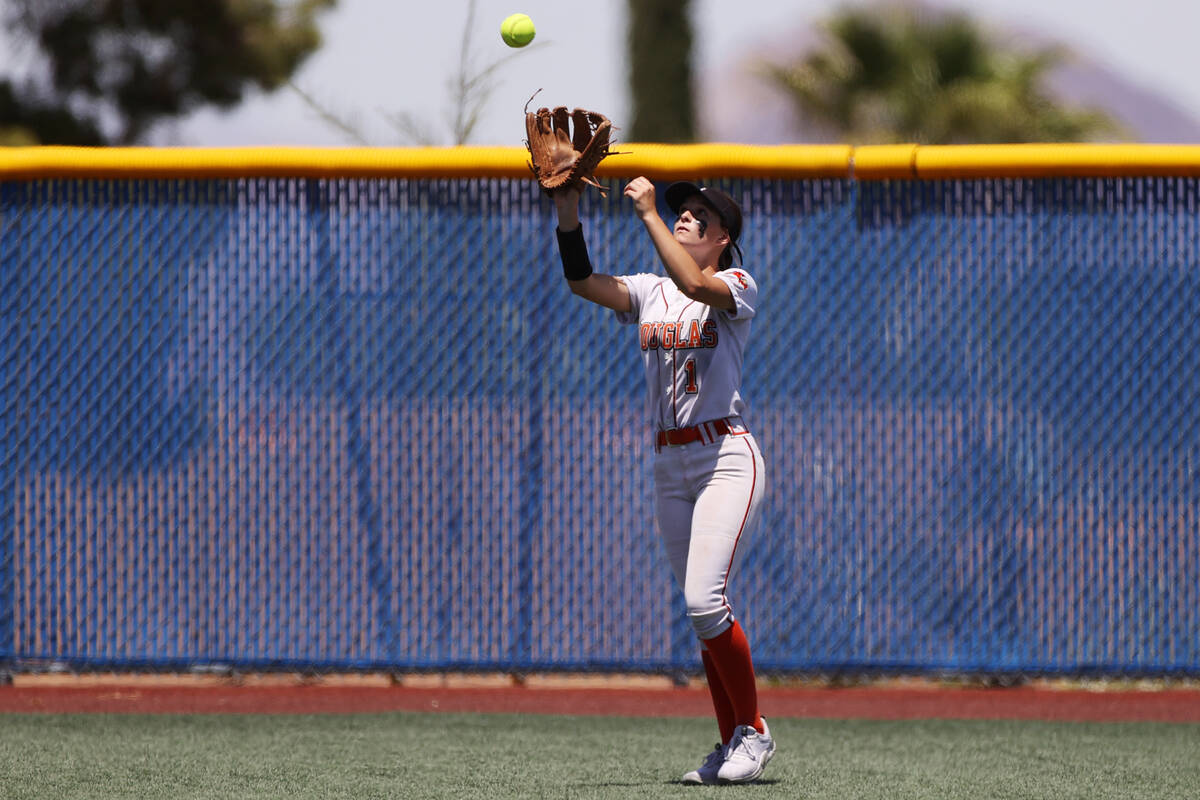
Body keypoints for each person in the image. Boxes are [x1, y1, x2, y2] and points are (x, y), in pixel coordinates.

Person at [550, 176, 774, 785]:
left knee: (706, 600)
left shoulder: (735, 283)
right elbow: (581, 281)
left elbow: (694, 283)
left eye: (701, 216)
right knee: (700, 614)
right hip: (669, 465)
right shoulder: (650, 292)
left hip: (725, 454)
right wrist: (568, 209)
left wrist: (648, 211)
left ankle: (753, 732)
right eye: (683, 211)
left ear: (723, 238)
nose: (686, 218)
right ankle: (732, 742)